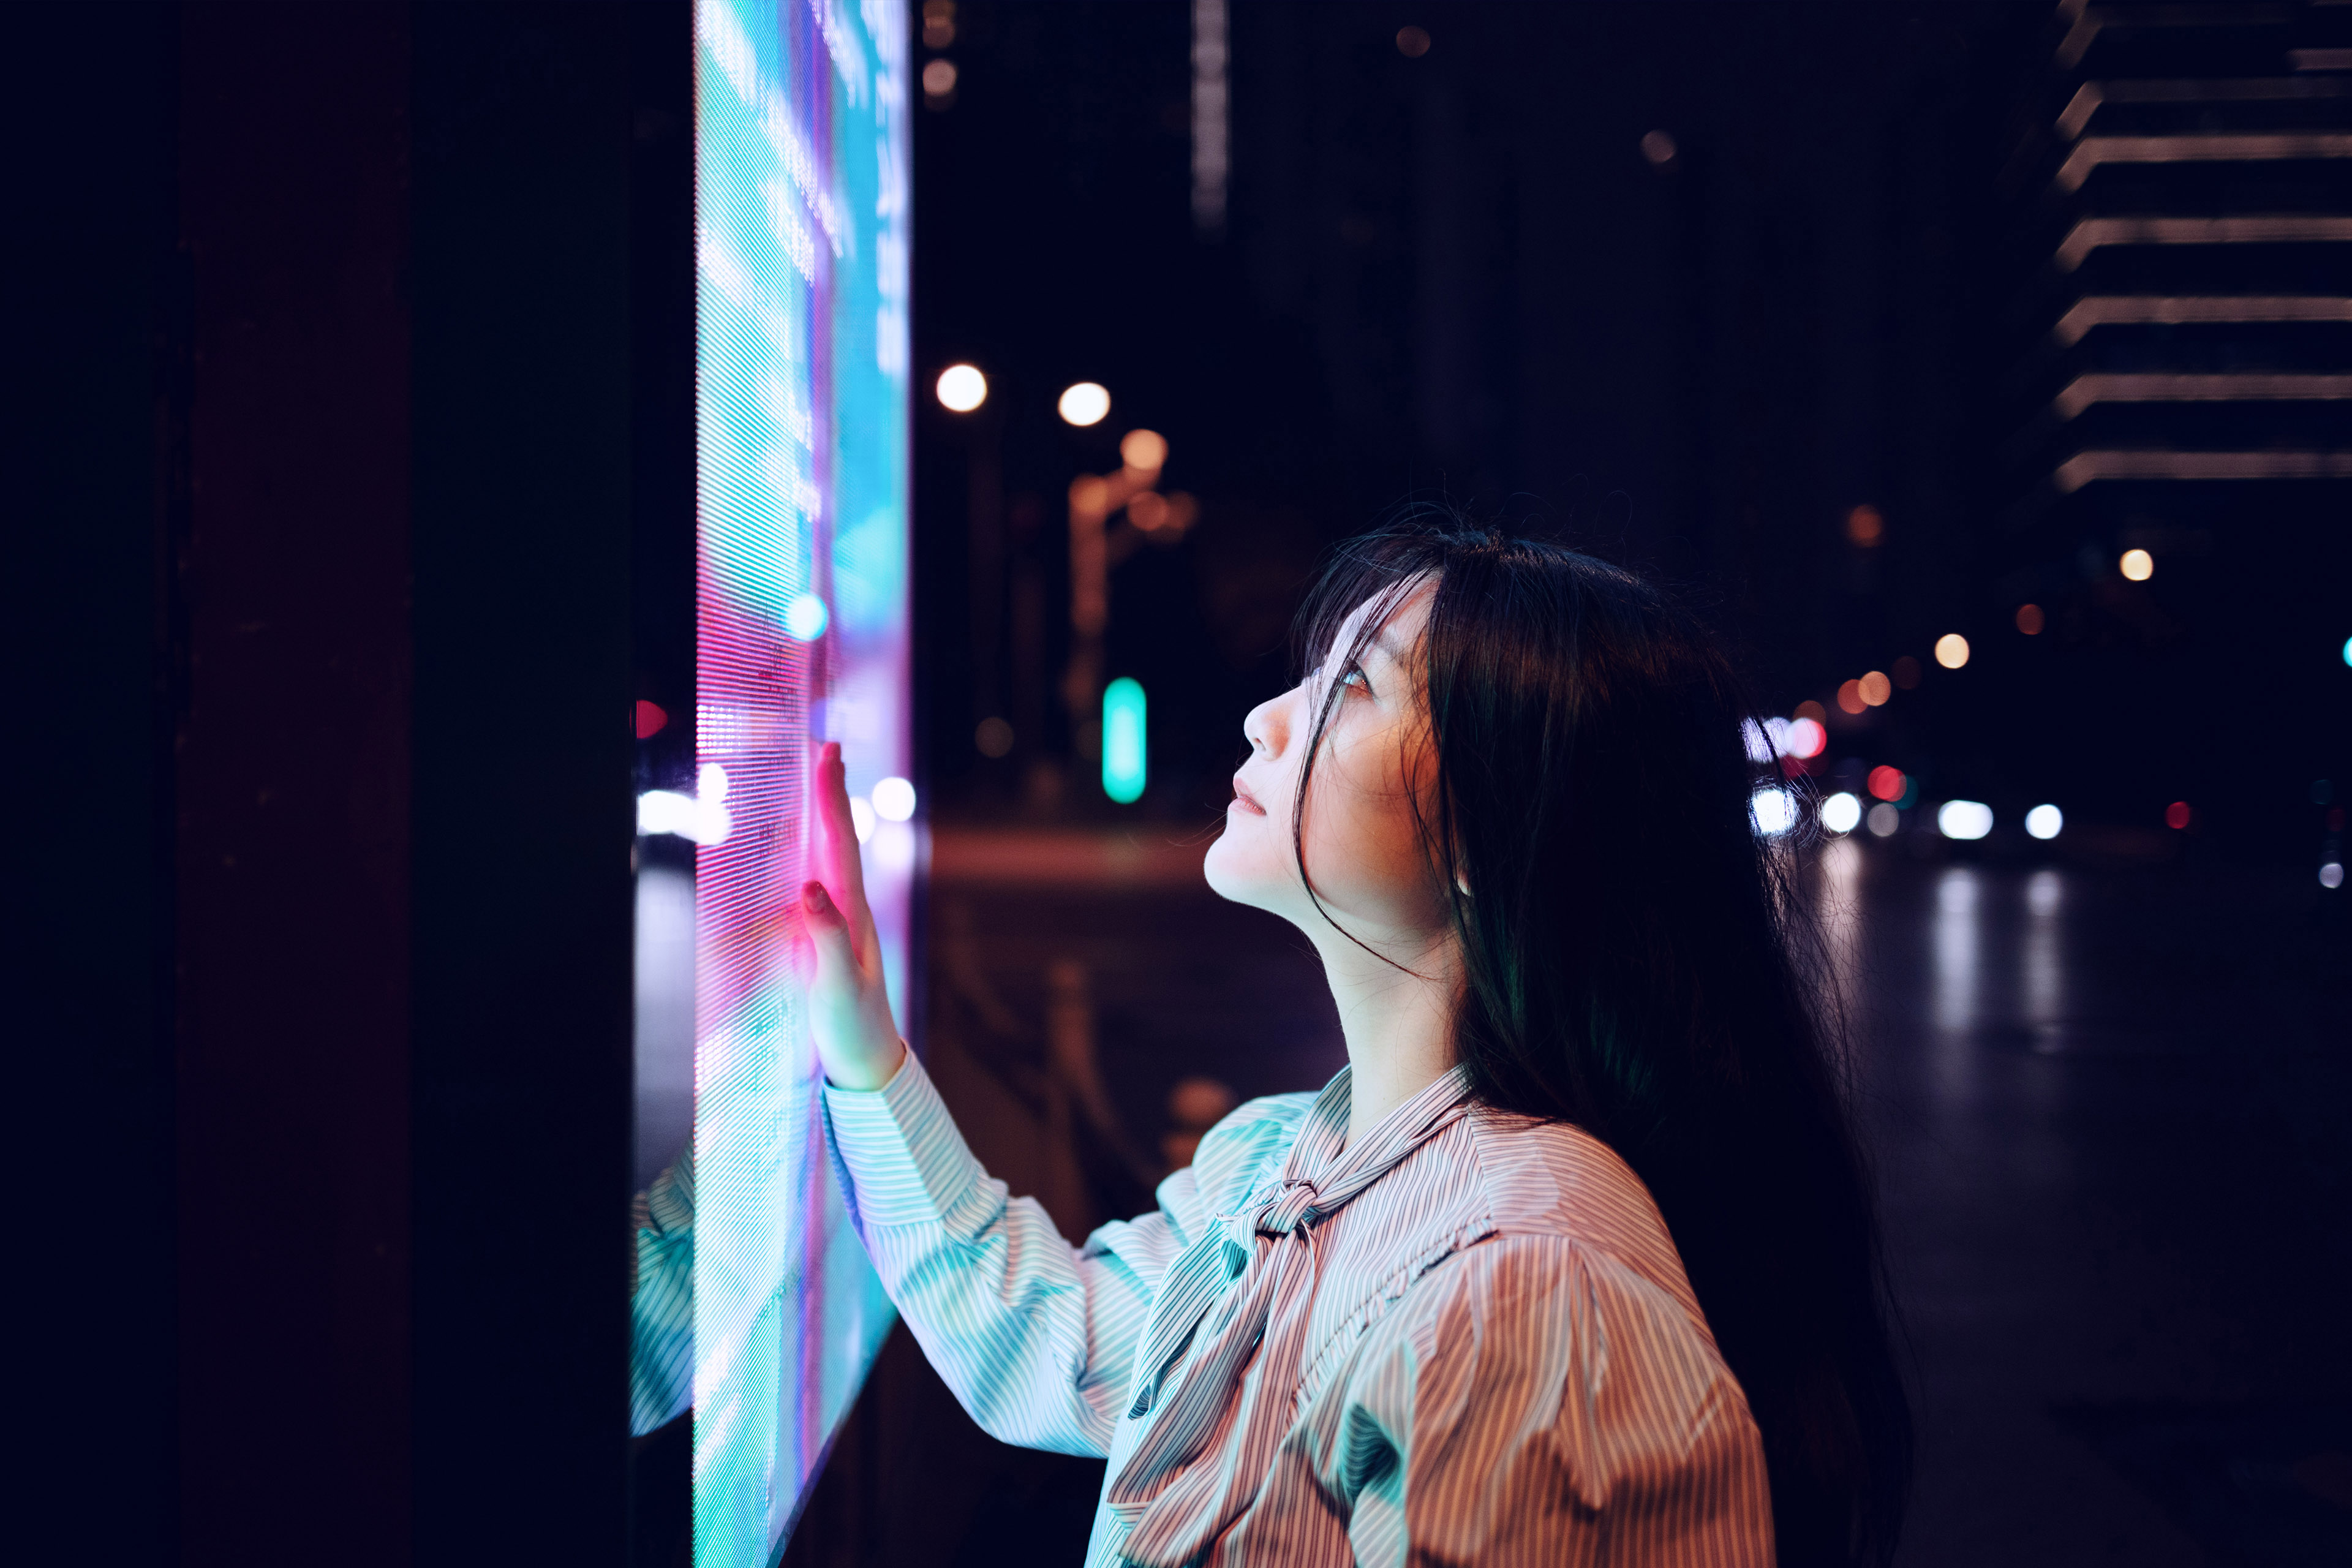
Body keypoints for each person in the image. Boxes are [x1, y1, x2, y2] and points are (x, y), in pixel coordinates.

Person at [793, 520, 1906, 1565]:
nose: (1266, 718)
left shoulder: (1521, 1293)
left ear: (1496, 822)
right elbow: (1057, 1344)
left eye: (1354, 684)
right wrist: (864, 1047)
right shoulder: (1284, 1160)